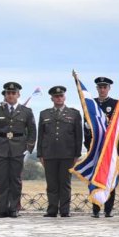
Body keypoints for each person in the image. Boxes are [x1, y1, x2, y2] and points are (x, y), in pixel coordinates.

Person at [0, 81, 37, 218]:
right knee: (2, 180)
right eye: (8, 93)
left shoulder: (26, 111)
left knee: (15, 180)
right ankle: (2, 209)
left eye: (13, 93)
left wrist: (29, 149)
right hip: (1, 148)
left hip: (18, 149)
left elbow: (32, 131)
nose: (10, 95)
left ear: (18, 94)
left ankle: (14, 209)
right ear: (5, 95)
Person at [36, 86, 83, 218]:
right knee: (52, 184)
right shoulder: (44, 114)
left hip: (67, 154)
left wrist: (77, 154)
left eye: (61, 96)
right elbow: (41, 135)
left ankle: (64, 210)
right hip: (49, 154)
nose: (59, 98)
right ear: (52, 98)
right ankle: (52, 210)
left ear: (64, 97)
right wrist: (40, 154)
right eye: (56, 96)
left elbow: (78, 136)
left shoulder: (74, 113)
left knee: (65, 183)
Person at [88, 77, 119, 218]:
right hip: (96, 147)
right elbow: (86, 122)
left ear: (109, 88)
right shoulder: (91, 103)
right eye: (100, 87)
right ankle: (95, 208)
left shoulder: (115, 104)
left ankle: (108, 209)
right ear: (97, 88)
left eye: (104, 87)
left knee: (110, 176)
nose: (102, 90)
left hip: (110, 147)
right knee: (95, 177)